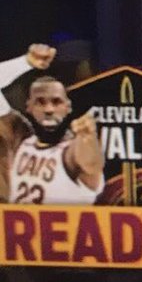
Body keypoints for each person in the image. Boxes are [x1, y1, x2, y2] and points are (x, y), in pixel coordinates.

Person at [1, 45, 104, 204]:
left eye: (56, 102)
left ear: (68, 107)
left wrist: (88, 138)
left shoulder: (72, 149)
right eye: (40, 102)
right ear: (29, 107)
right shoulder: (20, 138)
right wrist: (25, 62)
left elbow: (90, 165)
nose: (48, 109)